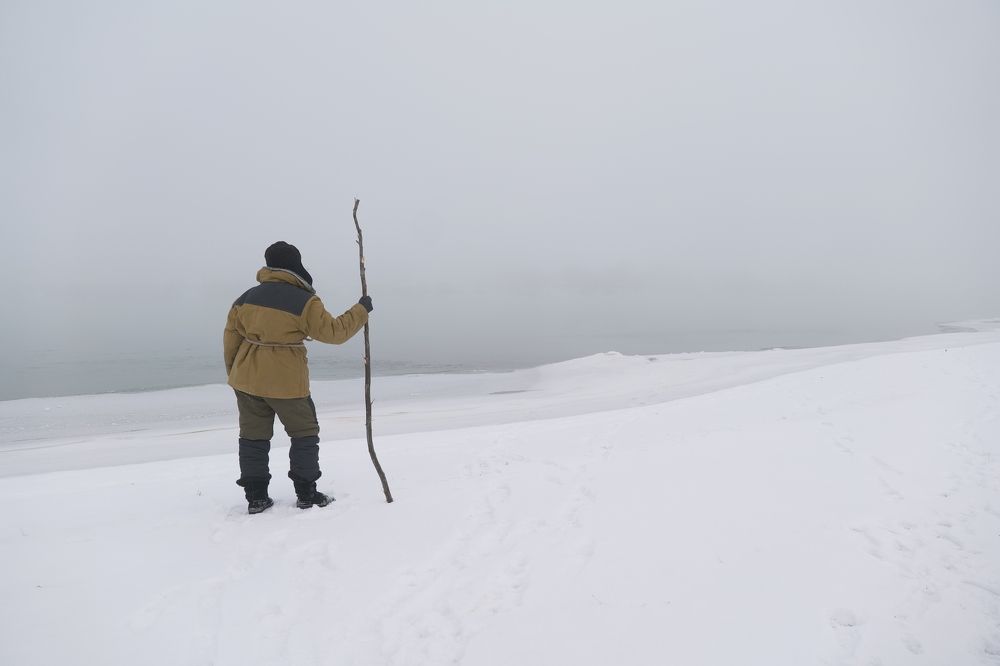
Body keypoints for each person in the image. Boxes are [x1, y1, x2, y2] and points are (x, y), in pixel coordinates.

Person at [223, 241, 372, 514]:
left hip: (247, 379)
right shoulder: (305, 301)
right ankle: (307, 494)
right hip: (287, 382)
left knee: (253, 438)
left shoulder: (244, 299)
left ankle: (256, 498)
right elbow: (334, 333)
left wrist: (235, 373)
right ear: (295, 264)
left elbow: (231, 339)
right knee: (304, 434)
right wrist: (361, 310)